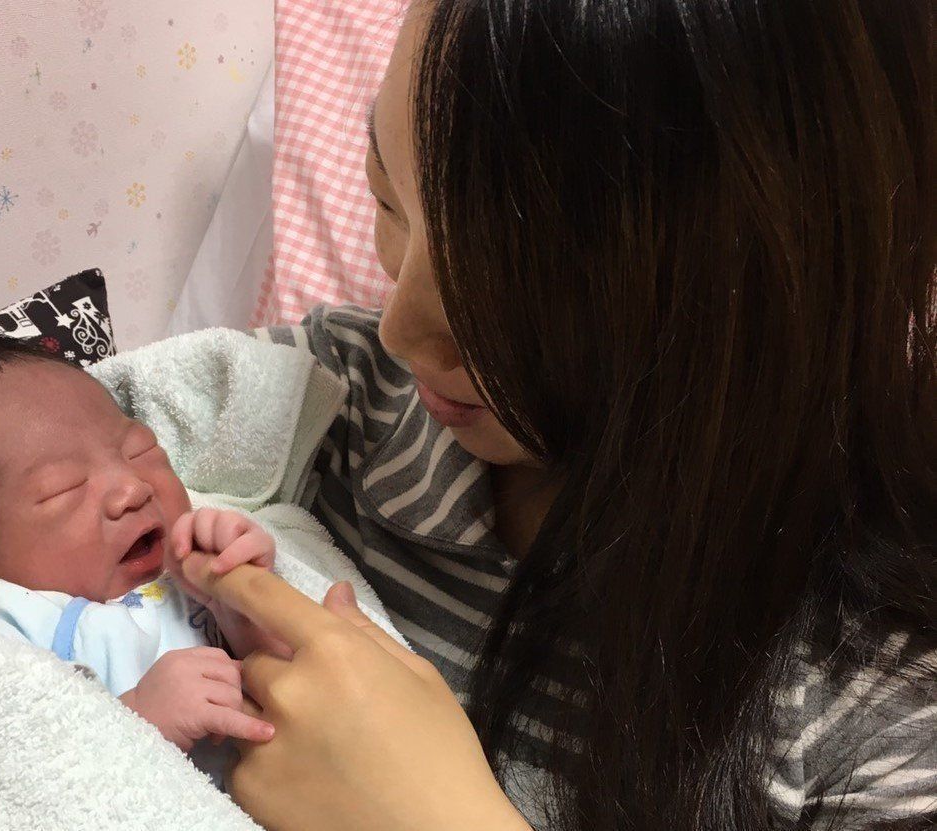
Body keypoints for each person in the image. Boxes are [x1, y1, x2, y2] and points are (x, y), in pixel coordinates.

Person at [166, 0, 937, 828]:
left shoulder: (885, 712)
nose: (403, 329)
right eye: (388, 202)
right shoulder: (315, 399)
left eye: (508, 290)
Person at [0, 330, 283, 755]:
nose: (133, 488)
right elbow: (8, 755)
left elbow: (295, 675)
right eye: (63, 488)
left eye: (140, 451)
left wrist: (247, 601)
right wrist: (140, 720)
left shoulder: (194, 564)